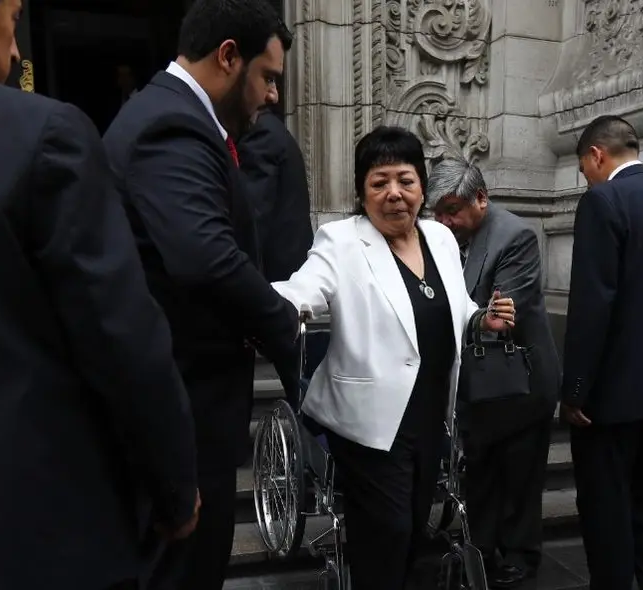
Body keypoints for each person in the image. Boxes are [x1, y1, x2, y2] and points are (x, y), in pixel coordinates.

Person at [0, 2, 200, 589]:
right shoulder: (38, 134)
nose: (19, 49)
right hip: (25, 539)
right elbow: (123, 339)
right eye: (14, 14)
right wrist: (175, 492)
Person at [101, 1, 299, 588]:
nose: (271, 97)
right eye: (267, 78)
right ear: (228, 57)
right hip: (180, 414)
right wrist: (284, 323)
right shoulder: (172, 123)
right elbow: (204, 256)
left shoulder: (178, 117)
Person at [272, 126, 516, 590]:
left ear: (422, 187)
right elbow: (301, 291)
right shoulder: (341, 241)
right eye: (379, 182)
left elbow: (455, 306)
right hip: (368, 425)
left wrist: (482, 320)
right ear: (362, 192)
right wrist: (253, 305)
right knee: (386, 533)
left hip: (428, 416)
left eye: (405, 180)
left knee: (414, 531)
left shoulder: (440, 239)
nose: (394, 194)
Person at [561, 115, 643, 590]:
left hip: (613, 398)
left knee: (605, 510)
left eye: (584, 168)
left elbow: (592, 304)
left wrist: (575, 390)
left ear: (597, 155)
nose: (587, 177)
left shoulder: (602, 200)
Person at [429, 158, 560, 587]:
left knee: (520, 480)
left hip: (518, 384)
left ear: (480, 199)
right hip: (478, 386)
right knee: (482, 477)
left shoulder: (515, 236)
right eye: (438, 212)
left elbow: (499, 312)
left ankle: (521, 558)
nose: (444, 221)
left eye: (452, 210)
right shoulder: (443, 238)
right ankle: (480, 552)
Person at [238, 109, 314, 283]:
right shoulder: (274, 129)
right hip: (288, 272)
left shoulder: (261, 132)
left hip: (272, 277)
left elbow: (252, 218)